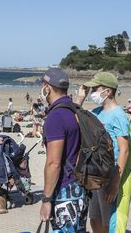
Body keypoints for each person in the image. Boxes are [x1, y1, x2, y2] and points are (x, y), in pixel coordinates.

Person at [77, 72, 131, 233]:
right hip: (95, 172)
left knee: (108, 219)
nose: (92, 92)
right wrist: (80, 98)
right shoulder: (96, 111)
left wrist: (116, 182)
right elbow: (76, 120)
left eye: (95, 88)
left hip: (109, 174)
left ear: (107, 91)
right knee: (94, 217)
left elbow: (124, 150)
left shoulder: (119, 116)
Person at [38, 68, 88, 232]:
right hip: (80, 189)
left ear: (47, 87)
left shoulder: (56, 117)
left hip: (64, 191)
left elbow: (54, 163)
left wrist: (46, 199)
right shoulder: (75, 111)